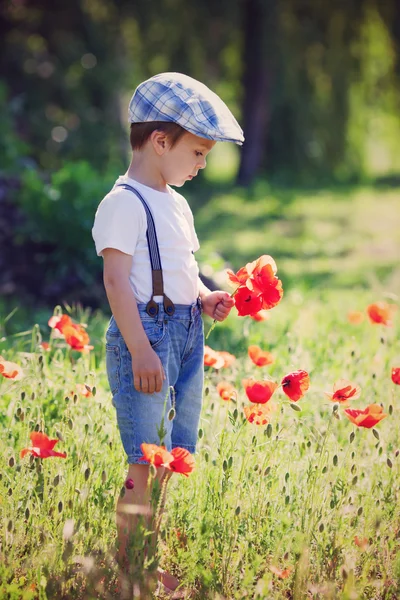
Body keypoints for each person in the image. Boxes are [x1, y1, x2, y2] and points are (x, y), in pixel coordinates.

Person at [92, 72, 244, 596]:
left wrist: (205, 298)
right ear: (161, 142)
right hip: (148, 339)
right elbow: (116, 280)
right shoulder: (123, 203)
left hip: (186, 335)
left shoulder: (175, 203)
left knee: (170, 457)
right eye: (198, 152)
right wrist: (139, 349)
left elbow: (181, 269)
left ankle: (147, 557)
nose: (202, 164)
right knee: (144, 457)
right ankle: (129, 568)